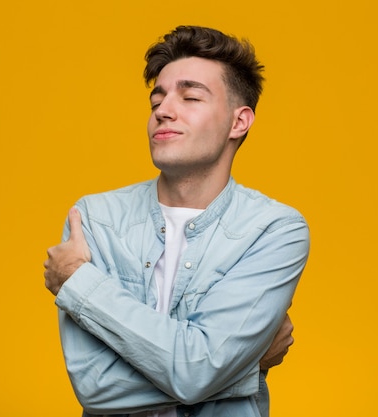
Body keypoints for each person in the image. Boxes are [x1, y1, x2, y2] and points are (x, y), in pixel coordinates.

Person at [44, 25, 310, 417]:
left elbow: (199, 372)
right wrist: (245, 367)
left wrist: (79, 284)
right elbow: (96, 386)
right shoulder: (94, 219)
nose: (164, 110)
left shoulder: (274, 230)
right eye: (157, 101)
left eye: (190, 97)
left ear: (239, 122)